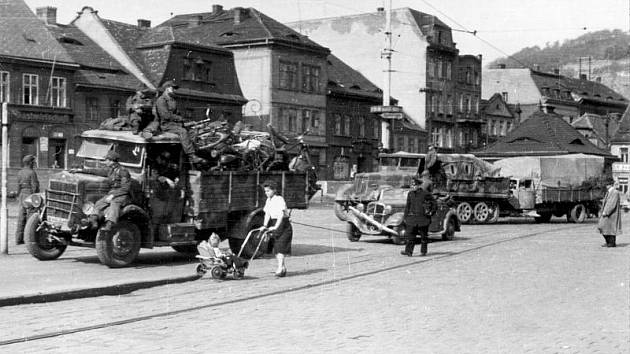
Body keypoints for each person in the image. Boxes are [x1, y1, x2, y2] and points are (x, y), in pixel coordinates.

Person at [75, 150, 131, 231]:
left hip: (121, 195)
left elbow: (125, 188)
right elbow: (97, 171)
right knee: (99, 203)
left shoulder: (123, 171)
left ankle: (110, 223)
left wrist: (113, 195)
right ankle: (94, 221)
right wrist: (81, 170)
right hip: (112, 193)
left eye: (107, 160)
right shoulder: (111, 170)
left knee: (114, 204)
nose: (105, 162)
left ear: (112, 161)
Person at [154, 81, 204, 164]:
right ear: (167, 88)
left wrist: (187, 122)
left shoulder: (172, 100)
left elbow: (177, 114)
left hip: (175, 124)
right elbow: (165, 115)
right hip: (166, 125)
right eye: (173, 88)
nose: (174, 90)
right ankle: (191, 156)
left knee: (193, 132)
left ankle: (189, 153)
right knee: (183, 132)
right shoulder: (161, 100)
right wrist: (180, 119)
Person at [262, 181, 293, 277]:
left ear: (274, 190)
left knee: (280, 247)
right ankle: (282, 268)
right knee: (277, 247)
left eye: (268, 191)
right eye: (265, 191)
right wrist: (264, 225)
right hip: (274, 223)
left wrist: (275, 227)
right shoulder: (268, 201)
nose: (266, 193)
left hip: (283, 225)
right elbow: (267, 214)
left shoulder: (279, 199)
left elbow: (280, 215)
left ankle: (280, 268)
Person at [401, 175, 436, 257]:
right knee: (410, 236)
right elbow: (407, 206)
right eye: (412, 185)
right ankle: (408, 251)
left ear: (418, 185)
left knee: (424, 237)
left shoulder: (425, 194)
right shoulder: (410, 194)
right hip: (412, 219)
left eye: (414, 185)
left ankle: (423, 251)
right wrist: (405, 217)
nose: (412, 187)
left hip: (423, 219)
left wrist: (431, 212)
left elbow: (434, 203)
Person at [15, 155, 39, 244]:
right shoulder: (32, 172)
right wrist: (35, 197)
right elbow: (35, 186)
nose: (34, 163)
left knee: (21, 217)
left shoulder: (20, 172)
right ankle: (28, 239)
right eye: (33, 162)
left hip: (22, 195)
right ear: (30, 163)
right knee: (31, 217)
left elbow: (18, 186)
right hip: (30, 195)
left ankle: (19, 239)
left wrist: (18, 195)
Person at [598, 181, 622, 247]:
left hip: (612, 214)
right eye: (606, 184)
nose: (606, 185)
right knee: (602, 227)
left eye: (608, 184)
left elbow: (612, 203)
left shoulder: (615, 192)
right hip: (606, 213)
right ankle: (608, 242)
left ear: (611, 184)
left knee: (611, 229)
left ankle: (611, 243)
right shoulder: (608, 192)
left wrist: (606, 212)